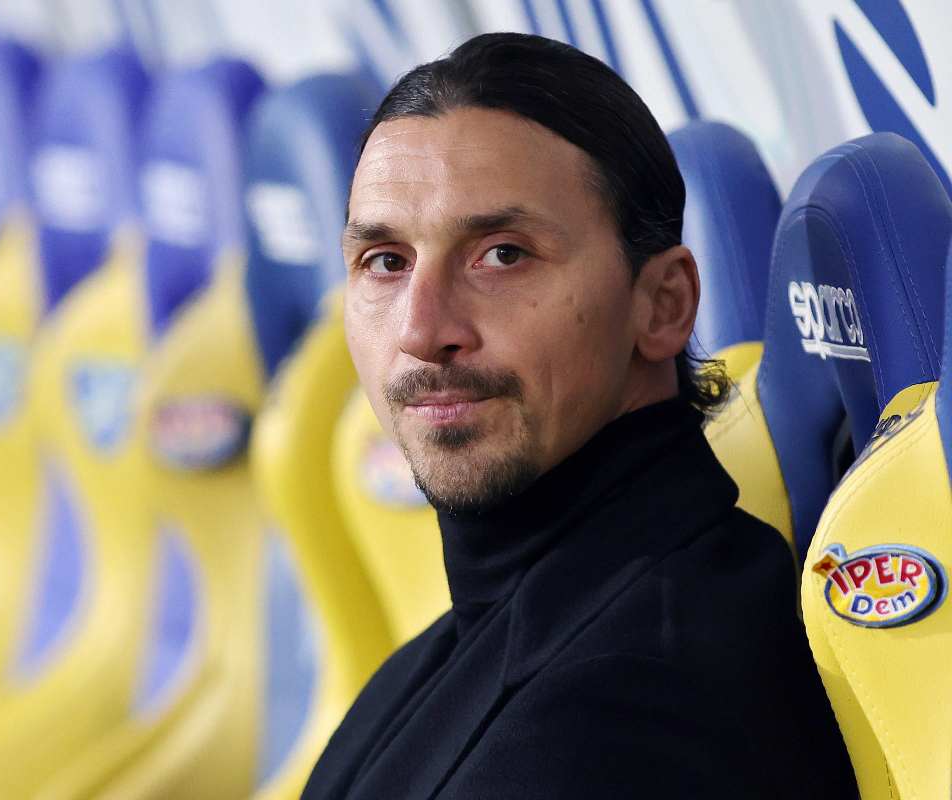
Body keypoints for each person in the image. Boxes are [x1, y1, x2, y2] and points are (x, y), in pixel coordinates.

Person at [302, 33, 857, 799]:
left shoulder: (632, 702)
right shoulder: (488, 639)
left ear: (663, 304)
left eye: (502, 254)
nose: (422, 330)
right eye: (386, 262)